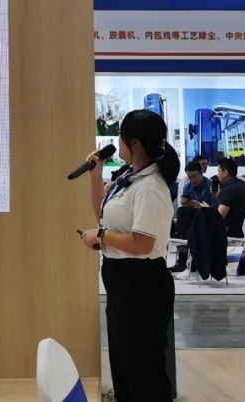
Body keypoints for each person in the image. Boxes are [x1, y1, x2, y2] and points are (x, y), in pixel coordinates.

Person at [81, 110, 175, 402]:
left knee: (143, 368)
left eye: (120, 137)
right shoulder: (128, 177)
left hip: (142, 284)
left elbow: (143, 243)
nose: (117, 143)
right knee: (124, 365)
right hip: (121, 281)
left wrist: (101, 236)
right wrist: (95, 175)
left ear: (134, 143)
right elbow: (102, 214)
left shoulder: (150, 187)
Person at [170, 160, 215, 273]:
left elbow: (215, 205)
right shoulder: (188, 187)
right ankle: (183, 260)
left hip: (208, 216)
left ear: (201, 173)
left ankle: (191, 260)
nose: (192, 180)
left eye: (195, 176)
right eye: (190, 177)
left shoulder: (210, 184)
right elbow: (184, 201)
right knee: (181, 212)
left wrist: (199, 205)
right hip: (193, 217)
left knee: (187, 218)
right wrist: (186, 202)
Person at [215, 159, 245, 239]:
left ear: (225, 172)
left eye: (218, 171)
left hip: (232, 233)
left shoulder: (230, 189)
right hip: (244, 231)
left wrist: (206, 209)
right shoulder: (241, 185)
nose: (217, 175)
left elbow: (218, 218)